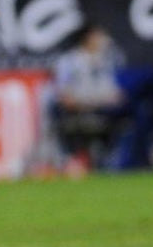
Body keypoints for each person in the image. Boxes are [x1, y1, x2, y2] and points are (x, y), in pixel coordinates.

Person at [51, 22, 128, 173]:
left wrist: (107, 100)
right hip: (77, 111)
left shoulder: (106, 61)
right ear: (88, 38)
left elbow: (116, 94)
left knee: (129, 114)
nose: (103, 40)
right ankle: (73, 161)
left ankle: (115, 161)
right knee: (67, 118)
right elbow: (64, 96)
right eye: (98, 36)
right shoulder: (69, 62)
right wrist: (88, 102)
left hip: (102, 110)